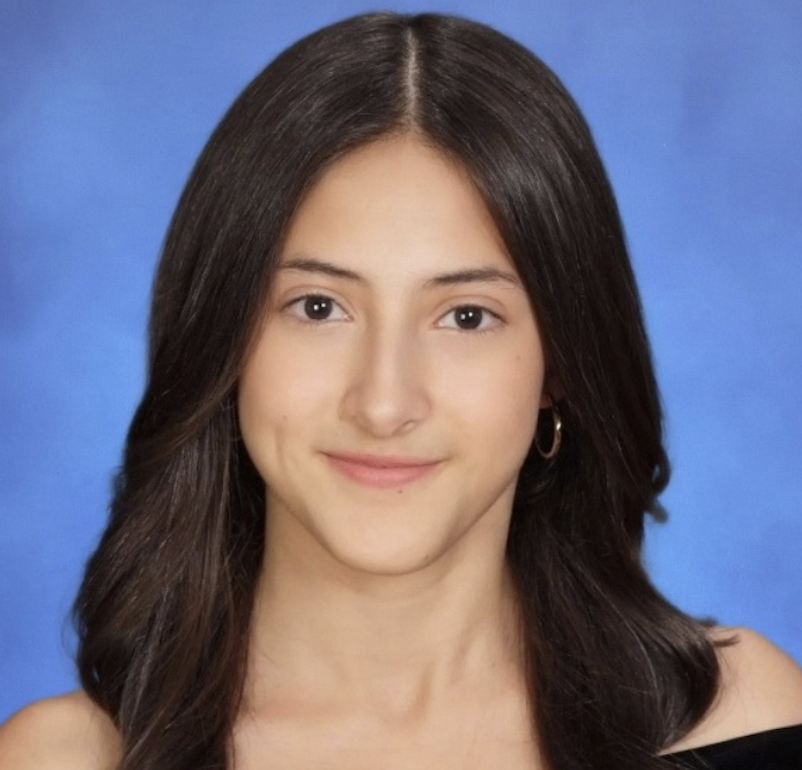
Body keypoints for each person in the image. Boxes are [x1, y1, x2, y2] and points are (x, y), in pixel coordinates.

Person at [1, 11, 800, 770]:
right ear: (225, 339)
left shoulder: (747, 721)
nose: (384, 405)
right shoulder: (64, 759)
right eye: (318, 308)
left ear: (561, 363)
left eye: (465, 315)